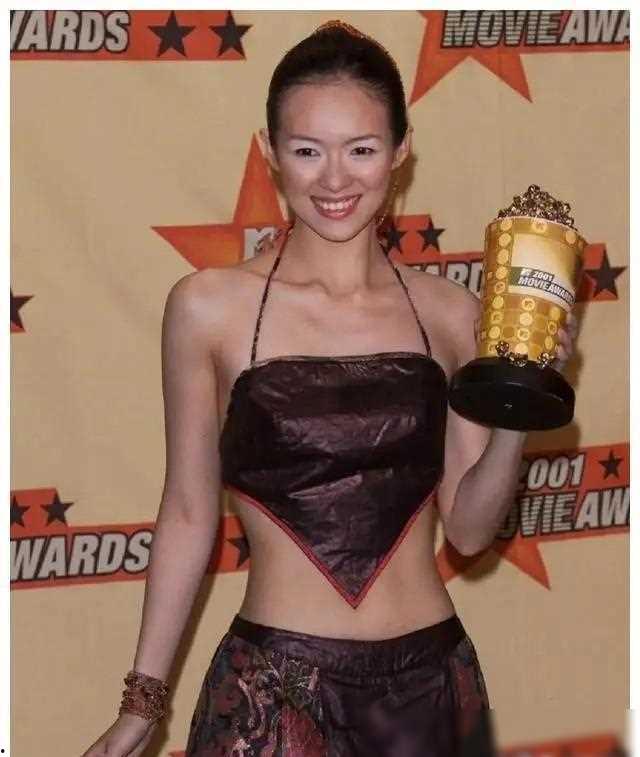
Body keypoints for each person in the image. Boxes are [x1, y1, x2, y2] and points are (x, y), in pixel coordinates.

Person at [82, 19, 578, 757]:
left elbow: (471, 531)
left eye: (362, 149)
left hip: (429, 692)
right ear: (270, 152)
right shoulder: (208, 307)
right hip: (271, 692)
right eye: (308, 150)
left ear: (401, 152)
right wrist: (142, 703)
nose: (335, 179)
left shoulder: (452, 313)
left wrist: (518, 396)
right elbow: (187, 510)